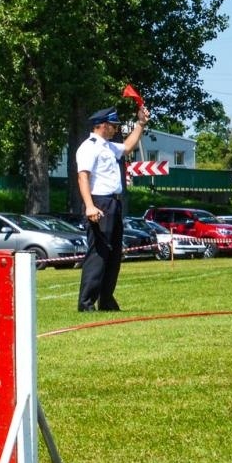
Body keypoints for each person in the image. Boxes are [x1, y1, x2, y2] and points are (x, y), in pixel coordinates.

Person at [75, 103, 148, 312]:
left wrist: (141, 123)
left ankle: (106, 300)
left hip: (113, 203)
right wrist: (89, 206)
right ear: (102, 126)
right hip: (99, 202)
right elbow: (83, 177)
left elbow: (128, 146)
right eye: (113, 126)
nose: (115, 130)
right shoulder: (89, 147)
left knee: (114, 254)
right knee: (98, 253)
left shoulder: (108, 146)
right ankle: (86, 302)